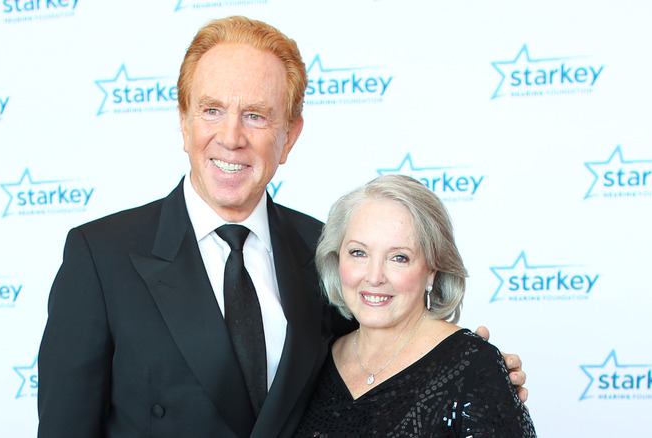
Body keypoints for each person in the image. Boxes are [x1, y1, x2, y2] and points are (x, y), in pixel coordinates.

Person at [37, 16, 527, 438]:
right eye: (212, 110)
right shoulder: (100, 257)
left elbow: (380, 358)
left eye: (256, 116)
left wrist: (469, 372)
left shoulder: (325, 251)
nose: (231, 137)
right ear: (184, 122)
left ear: (290, 136)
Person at [294, 175, 536, 437]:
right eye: (358, 253)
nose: (374, 276)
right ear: (336, 257)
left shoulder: (473, 366)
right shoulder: (314, 360)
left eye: (399, 257)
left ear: (432, 269)